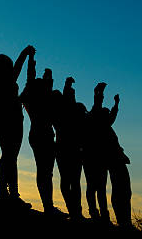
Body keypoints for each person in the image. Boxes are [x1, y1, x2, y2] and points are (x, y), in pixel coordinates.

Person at [0, 21, 33, 207]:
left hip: (8, 118)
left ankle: (9, 192)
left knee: (10, 155)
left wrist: (25, 53)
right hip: (8, 118)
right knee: (9, 154)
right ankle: (7, 192)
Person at [20, 53, 58, 213]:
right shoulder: (38, 98)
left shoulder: (33, 97)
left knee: (45, 171)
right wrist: (32, 63)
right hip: (42, 135)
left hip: (39, 135)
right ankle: (48, 206)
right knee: (45, 172)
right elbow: (32, 79)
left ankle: (48, 204)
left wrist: (32, 61)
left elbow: (31, 79)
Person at [54, 76, 87, 219]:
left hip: (70, 149)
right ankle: (75, 211)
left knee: (71, 182)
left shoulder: (67, 112)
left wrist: (68, 85)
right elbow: (68, 99)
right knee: (70, 182)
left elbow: (69, 99)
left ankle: (76, 211)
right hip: (67, 149)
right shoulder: (63, 113)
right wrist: (67, 85)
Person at [83, 82, 111, 223]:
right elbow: (98, 104)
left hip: (94, 157)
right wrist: (98, 92)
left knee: (95, 188)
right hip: (94, 157)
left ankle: (98, 214)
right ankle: (98, 214)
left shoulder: (94, 121)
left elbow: (99, 106)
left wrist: (99, 92)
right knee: (98, 188)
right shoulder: (94, 121)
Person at [103, 93, 132, 228]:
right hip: (114, 161)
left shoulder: (106, 128)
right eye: (106, 113)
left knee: (124, 191)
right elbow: (112, 116)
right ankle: (123, 221)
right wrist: (115, 104)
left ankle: (125, 220)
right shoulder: (103, 128)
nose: (109, 115)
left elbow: (112, 116)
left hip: (117, 160)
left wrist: (116, 104)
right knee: (121, 191)